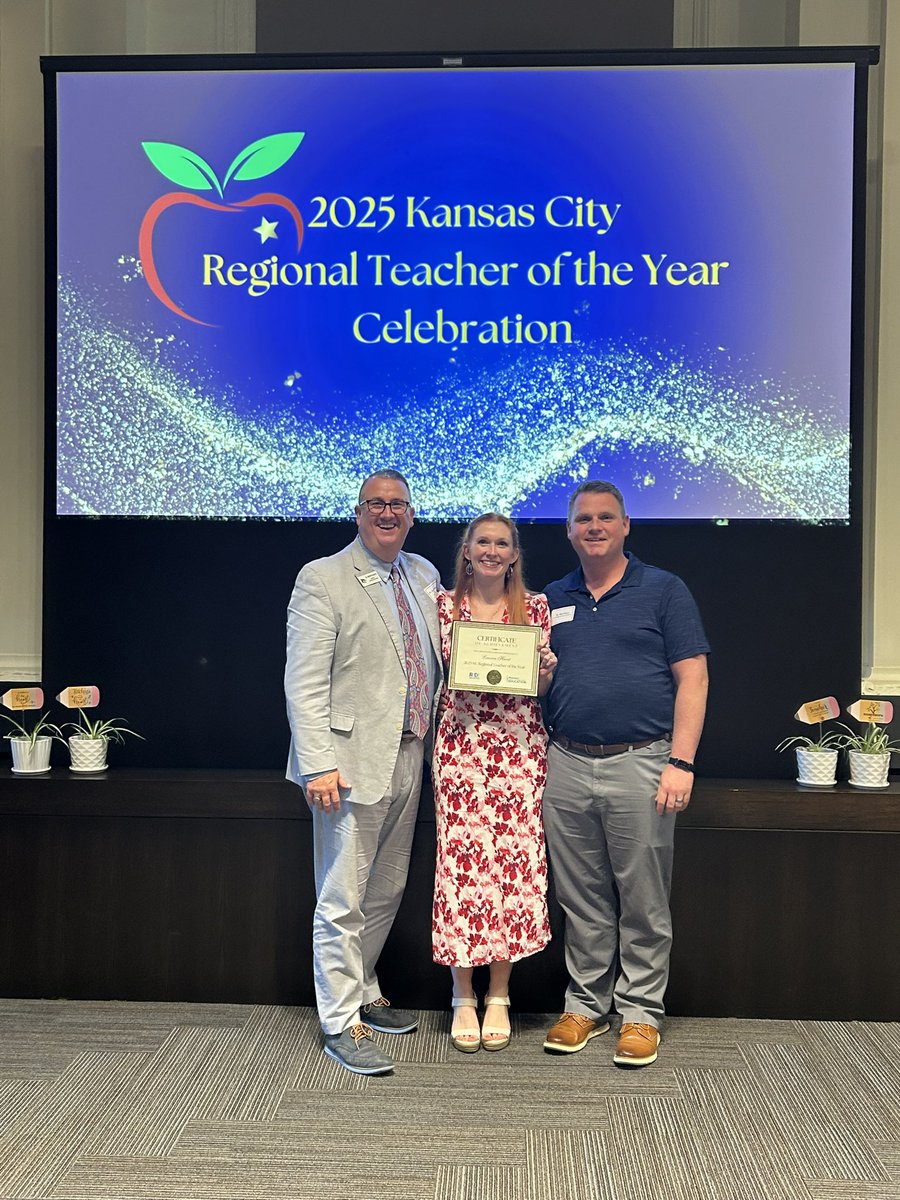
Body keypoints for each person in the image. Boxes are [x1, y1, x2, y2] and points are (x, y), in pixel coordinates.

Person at [541, 481, 709, 1067]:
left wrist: (681, 761)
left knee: (642, 894)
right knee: (580, 895)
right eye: (583, 519)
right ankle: (585, 1005)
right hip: (563, 762)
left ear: (626, 525)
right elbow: (533, 681)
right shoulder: (550, 596)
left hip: (643, 761)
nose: (593, 527)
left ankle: (639, 1013)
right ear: (569, 530)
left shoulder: (664, 590)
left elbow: (693, 677)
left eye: (605, 517)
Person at [285, 469, 441, 1076]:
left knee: (388, 887)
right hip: (346, 766)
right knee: (342, 896)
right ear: (357, 513)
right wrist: (318, 763)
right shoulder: (322, 578)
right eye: (376, 504)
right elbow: (303, 683)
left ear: (411, 514)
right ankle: (338, 1022)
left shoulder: (423, 574)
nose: (387, 513)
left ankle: (366, 988)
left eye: (397, 504)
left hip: (409, 753)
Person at [431, 513, 557, 1052]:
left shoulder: (536, 609)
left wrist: (546, 670)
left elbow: (541, 687)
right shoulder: (440, 605)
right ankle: (462, 993)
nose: (490, 550)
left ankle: (500, 993)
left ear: (513, 555)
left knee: (511, 868)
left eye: (501, 543)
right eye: (482, 541)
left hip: (519, 750)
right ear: (467, 550)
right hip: (460, 750)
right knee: (461, 869)